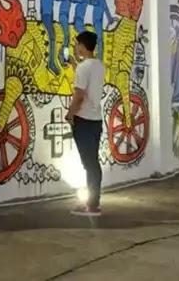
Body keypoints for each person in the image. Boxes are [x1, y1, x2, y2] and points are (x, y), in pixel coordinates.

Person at [65, 31, 105, 217]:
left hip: (84, 120)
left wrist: (70, 113)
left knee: (90, 164)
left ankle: (92, 205)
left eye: (77, 44)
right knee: (92, 163)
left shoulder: (84, 69)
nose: (75, 47)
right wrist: (75, 65)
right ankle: (93, 201)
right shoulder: (98, 66)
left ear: (82, 45)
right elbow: (87, 82)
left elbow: (79, 96)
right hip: (96, 120)